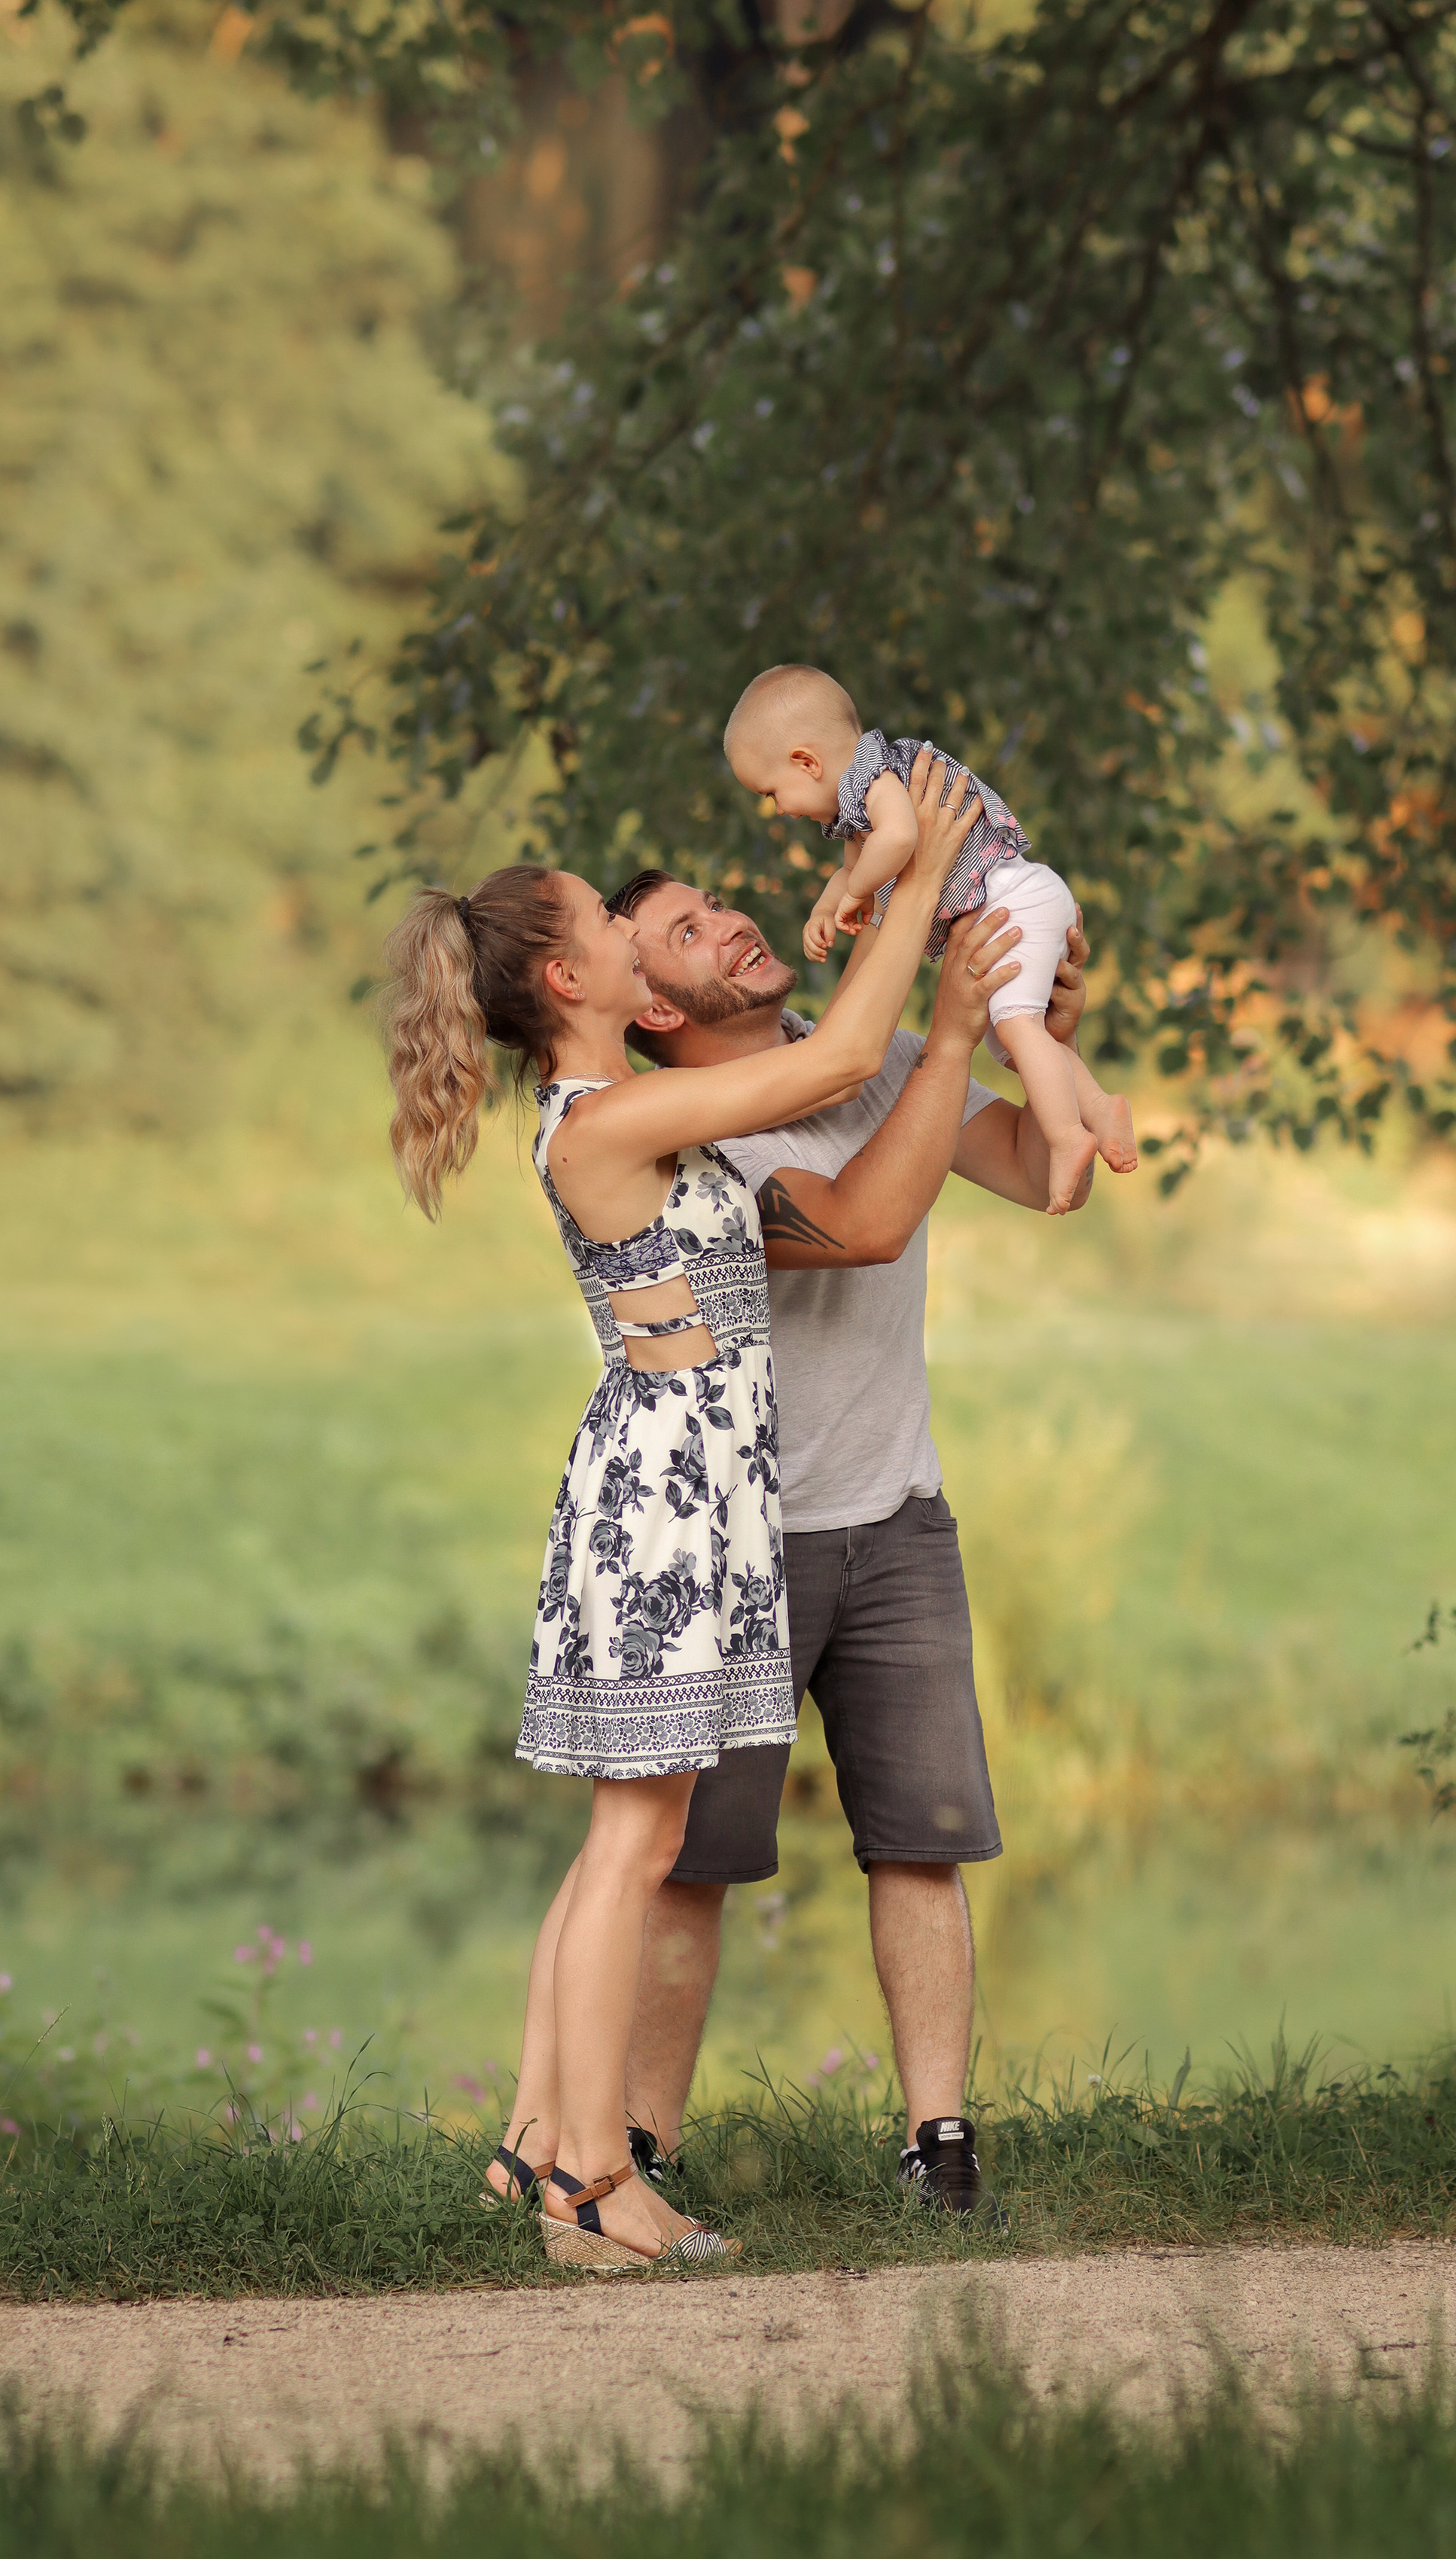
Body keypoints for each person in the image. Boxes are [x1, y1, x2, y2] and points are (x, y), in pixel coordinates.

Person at [379, 803, 952, 2268]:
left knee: (619, 1847)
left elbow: (837, 1149)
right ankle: (593, 2178)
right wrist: (921, 881)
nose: (637, 935)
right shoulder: (604, 1121)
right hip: (667, 1508)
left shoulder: (626, 1105)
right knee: (634, 1845)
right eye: (609, 922)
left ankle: (535, 2146)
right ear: (568, 979)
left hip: (695, 1495)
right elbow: (834, 1060)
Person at [608, 755, 1137, 2218]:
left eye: (718, 900)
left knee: (923, 1841)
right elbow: (858, 1224)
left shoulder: (877, 1055)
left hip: (897, 1517)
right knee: (690, 1863)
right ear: (653, 1009)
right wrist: (952, 1026)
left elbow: (1039, 1176)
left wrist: (1035, 1039)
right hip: (737, 1544)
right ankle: (638, 2150)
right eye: (687, 929)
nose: (731, 920)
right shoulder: (679, 1142)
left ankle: (939, 2148)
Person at [724, 662, 1135, 1212]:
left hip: (1012, 896)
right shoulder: (855, 803)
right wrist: (828, 906)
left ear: (807, 762)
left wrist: (857, 893)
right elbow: (854, 870)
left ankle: (1067, 1137)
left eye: (772, 792)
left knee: (1016, 1027)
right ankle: (1099, 1107)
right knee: (1010, 1042)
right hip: (1007, 902)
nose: (779, 809)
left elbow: (898, 840)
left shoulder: (875, 779)